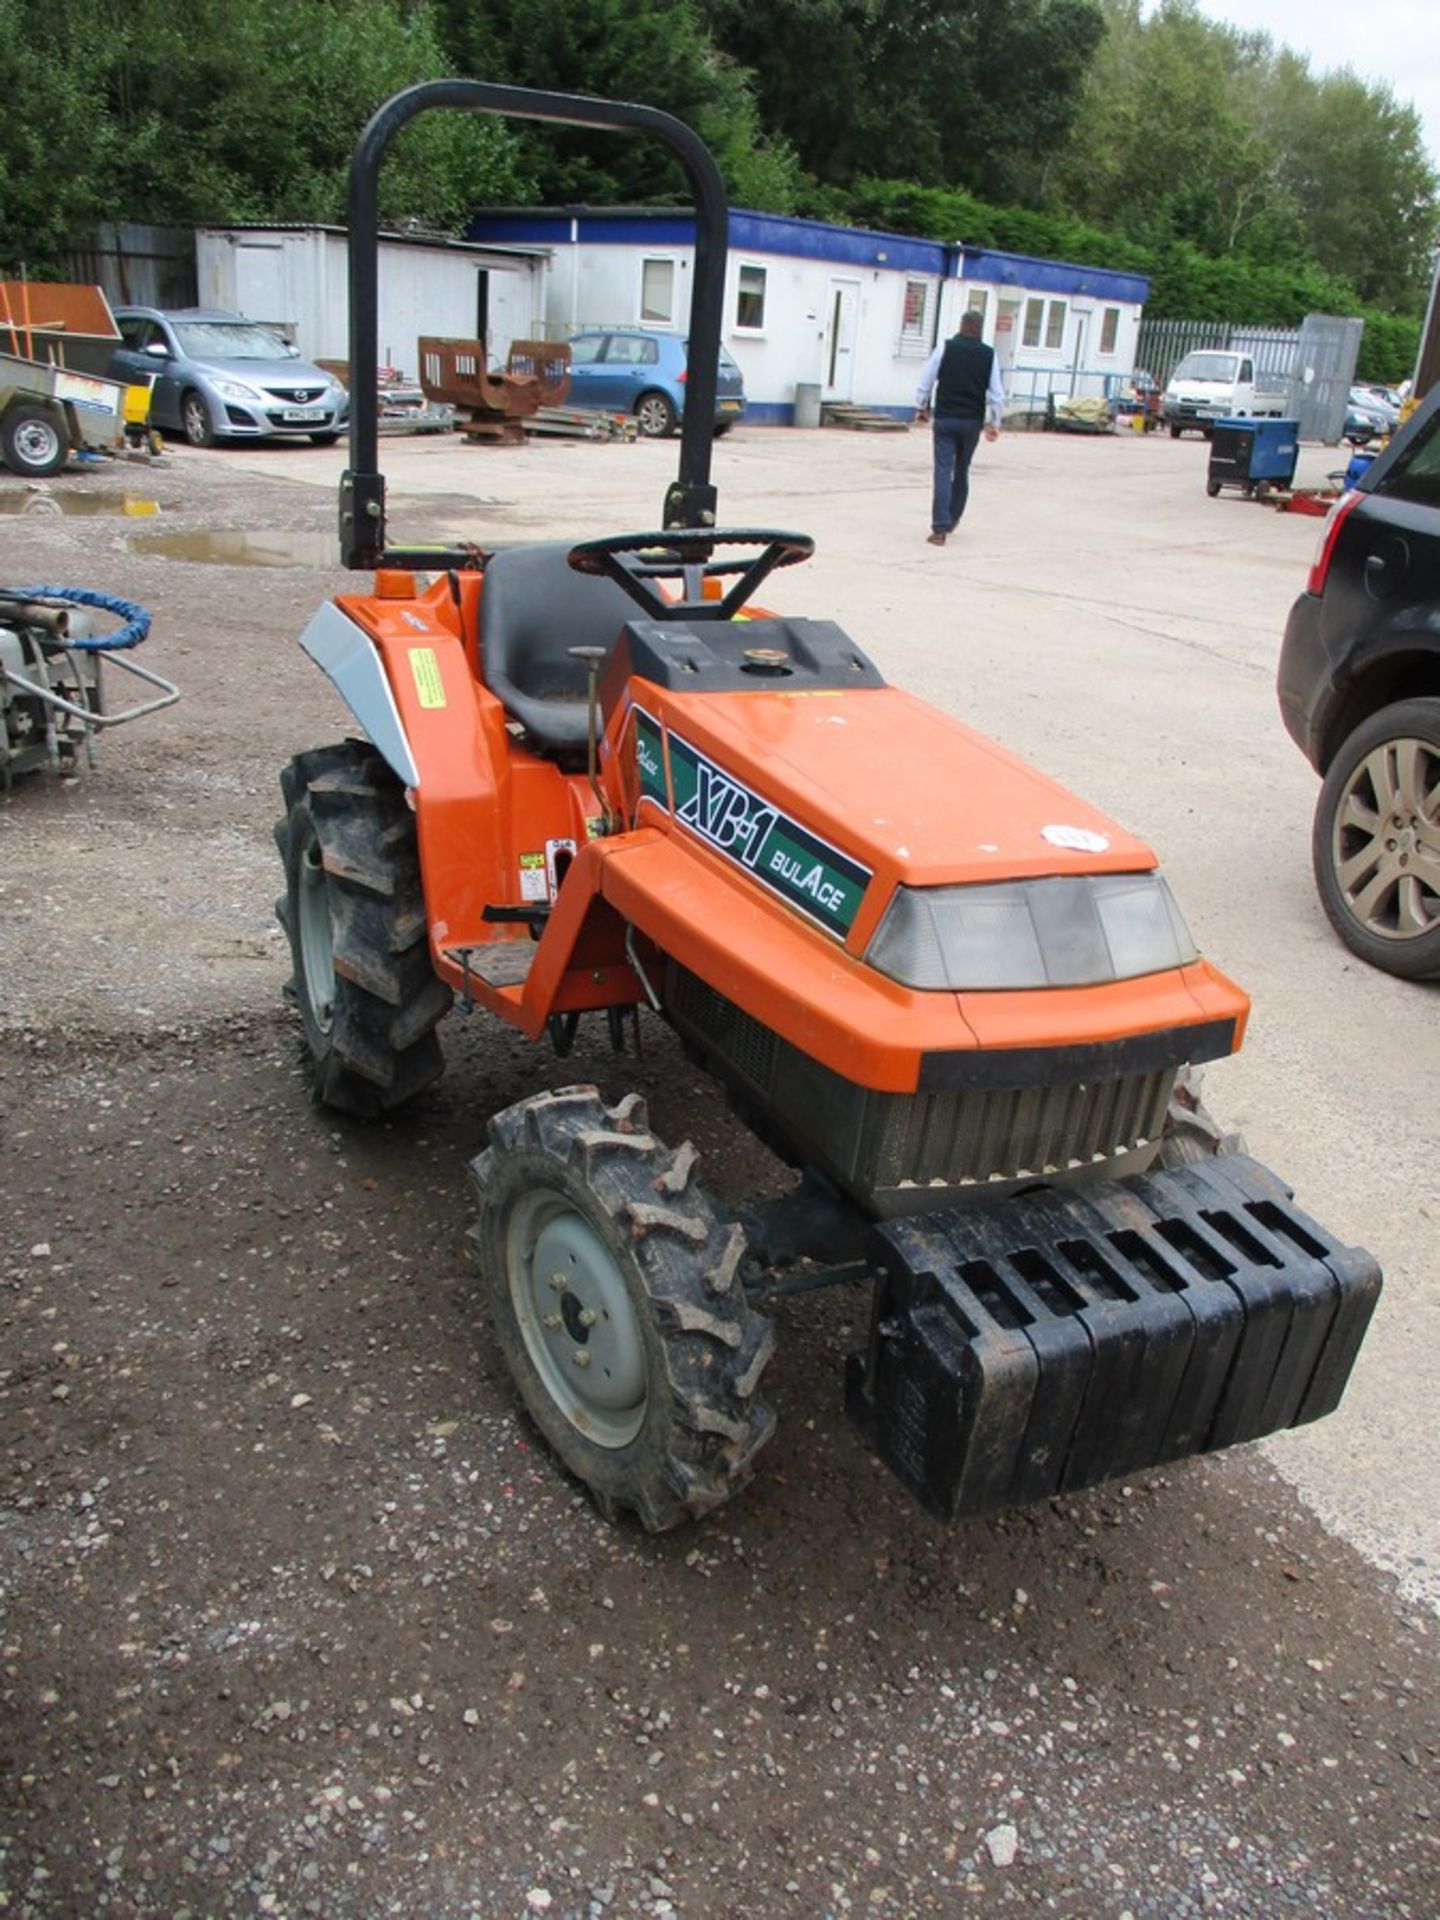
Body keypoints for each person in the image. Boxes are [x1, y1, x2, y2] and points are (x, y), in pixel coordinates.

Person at [914, 311, 1004, 546]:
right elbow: (996, 394)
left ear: (961, 326)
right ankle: (953, 518)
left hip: (945, 419)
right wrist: (995, 423)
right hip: (971, 423)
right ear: (980, 329)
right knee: (962, 470)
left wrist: (922, 407)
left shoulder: (945, 348)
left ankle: (939, 529)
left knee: (943, 470)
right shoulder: (989, 355)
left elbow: (926, 380)